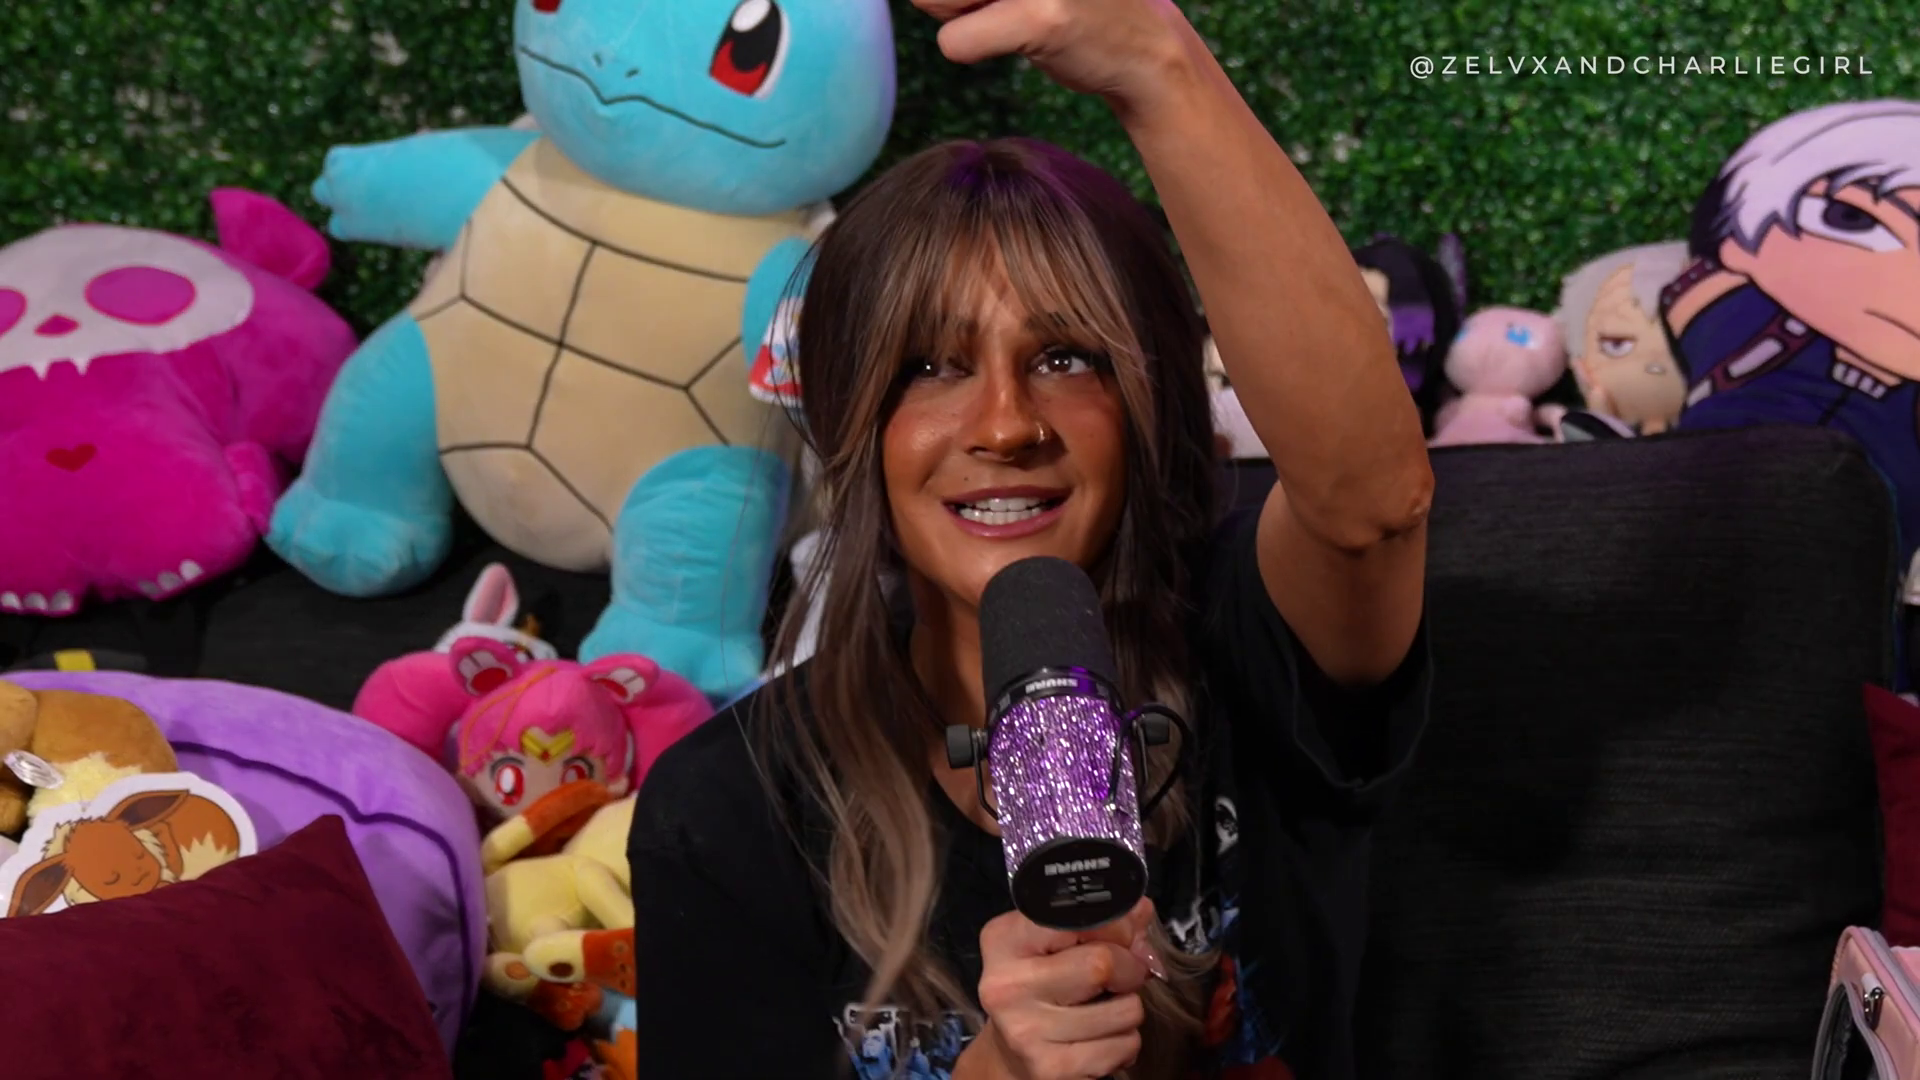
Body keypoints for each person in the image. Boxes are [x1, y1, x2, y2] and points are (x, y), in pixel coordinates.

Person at [628, 1, 1434, 1077]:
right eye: (931, 367)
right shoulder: (729, 809)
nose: (1007, 425)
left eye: (1065, 358)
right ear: (852, 425)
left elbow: (1369, 506)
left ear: (1148, 401)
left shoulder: (1247, 646)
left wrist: (1155, 58)